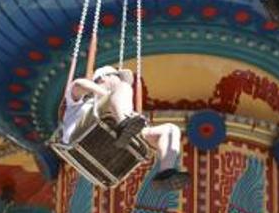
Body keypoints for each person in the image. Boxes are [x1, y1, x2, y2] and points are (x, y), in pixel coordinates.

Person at [59, 65, 189, 189]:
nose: (119, 81)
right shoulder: (81, 101)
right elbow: (79, 84)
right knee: (123, 88)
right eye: (116, 76)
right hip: (82, 133)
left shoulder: (117, 101)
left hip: (112, 137)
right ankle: (124, 124)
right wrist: (108, 93)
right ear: (103, 78)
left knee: (171, 130)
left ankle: (166, 173)